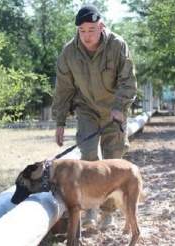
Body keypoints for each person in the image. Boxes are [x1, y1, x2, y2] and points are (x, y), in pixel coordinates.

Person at [51, 4, 137, 231]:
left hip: (113, 112)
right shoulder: (69, 52)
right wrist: (59, 123)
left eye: (91, 30)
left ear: (101, 26)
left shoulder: (117, 45)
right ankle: (90, 209)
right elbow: (63, 89)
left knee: (112, 159)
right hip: (87, 108)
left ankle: (108, 214)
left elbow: (127, 81)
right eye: (82, 31)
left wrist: (120, 107)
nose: (86, 36)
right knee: (88, 156)